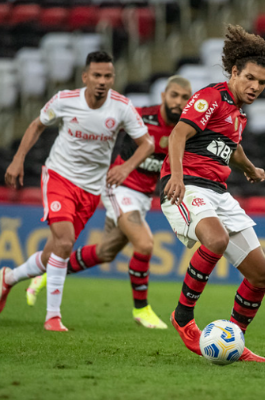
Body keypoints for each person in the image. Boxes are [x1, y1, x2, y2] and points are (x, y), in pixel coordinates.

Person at [0, 51, 154, 332]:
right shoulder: (64, 100)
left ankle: (8, 278)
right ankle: (52, 317)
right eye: (96, 75)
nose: (102, 81)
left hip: (92, 188)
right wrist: (19, 158)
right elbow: (36, 125)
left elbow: (147, 144)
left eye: (108, 76)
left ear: (113, 79)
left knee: (52, 254)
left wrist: (126, 168)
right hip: (59, 177)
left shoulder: (122, 107)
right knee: (65, 241)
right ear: (85, 77)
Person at [24, 76, 192, 330]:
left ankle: (49, 273)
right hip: (119, 187)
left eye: (184, 98)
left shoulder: (185, 131)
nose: (178, 102)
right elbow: (105, 126)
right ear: (163, 96)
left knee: (105, 252)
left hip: (143, 197)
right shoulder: (141, 117)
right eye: (174, 95)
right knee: (145, 244)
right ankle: (142, 309)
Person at [160, 25, 265, 362]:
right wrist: (178, 178)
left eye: (262, 83)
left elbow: (231, 147)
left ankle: (234, 340)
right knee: (215, 239)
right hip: (186, 185)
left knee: (261, 275)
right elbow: (179, 135)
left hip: (218, 192)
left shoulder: (238, 113)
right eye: (250, 78)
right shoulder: (211, 97)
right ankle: (182, 317)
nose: (255, 87)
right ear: (235, 71)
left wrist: (250, 168)